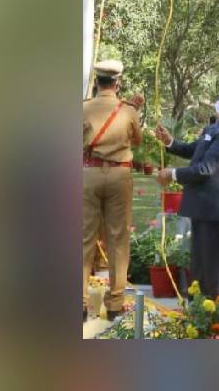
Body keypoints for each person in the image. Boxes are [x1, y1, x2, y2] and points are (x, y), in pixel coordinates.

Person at [155, 94, 219, 297]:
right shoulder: (214, 129)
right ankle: (200, 311)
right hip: (202, 207)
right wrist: (170, 142)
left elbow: (205, 168)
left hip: (214, 208)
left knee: (214, 268)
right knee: (200, 264)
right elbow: (194, 150)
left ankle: (216, 314)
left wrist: (173, 174)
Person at [82, 60, 143, 320]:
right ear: (117, 83)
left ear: (97, 82)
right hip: (119, 174)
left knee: (84, 238)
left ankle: (81, 303)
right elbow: (137, 140)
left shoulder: (83, 108)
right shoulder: (128, 110)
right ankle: (115, 305)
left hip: (89, 174)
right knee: (118, 239)